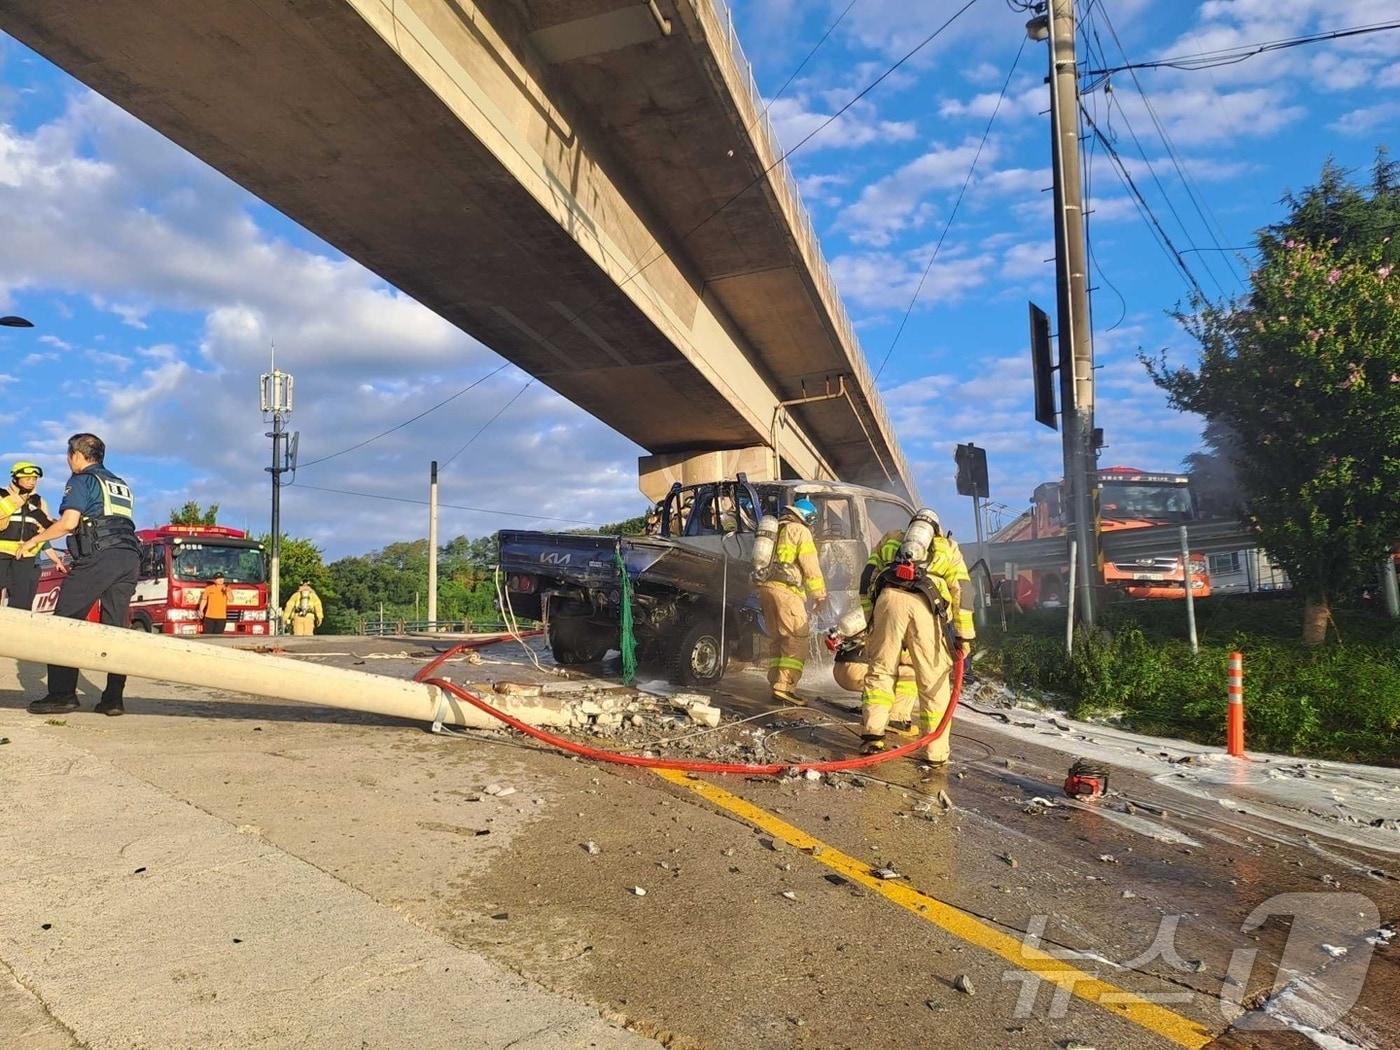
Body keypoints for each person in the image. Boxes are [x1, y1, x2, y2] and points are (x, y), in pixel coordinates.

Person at [17, 434, 140, 716]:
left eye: (68, 455)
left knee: (64, 623)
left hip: (100, 557)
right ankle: (113, 699)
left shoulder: (81, 480)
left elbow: (69, 523)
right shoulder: (120, 484)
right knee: (116, 629)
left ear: (76, 455)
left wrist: (33, 542)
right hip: (129, 557)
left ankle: (62, 695)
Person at [858, 510, 974, 761]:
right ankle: (935, 751)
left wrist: (871, 618)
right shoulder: (947, 548)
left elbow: (866, 577)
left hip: (888, 600)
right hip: (926, 606)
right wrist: (964, 635)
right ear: (937, 531)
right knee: (933, 680)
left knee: (881, 670)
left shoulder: (891, 539)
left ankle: (872, 735)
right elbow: (963, 592)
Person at [756, 496, 827, 706]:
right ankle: (785, 687)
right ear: (807, 517)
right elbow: (810, 566)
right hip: (787, 591)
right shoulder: (800, 531)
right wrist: (819, 594)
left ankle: (775, 684)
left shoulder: (774, 529)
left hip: (766, 588)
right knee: (796, 638)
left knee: (778, 639)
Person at [0, 461, 66, 609]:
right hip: (1, 552)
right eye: (28, 478)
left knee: (21, 600)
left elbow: (47, 528)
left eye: (34, 479)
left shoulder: (38, 501)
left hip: (26, 556)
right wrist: (16, 500)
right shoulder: (2, 495)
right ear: (15, 478)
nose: (32, 482)